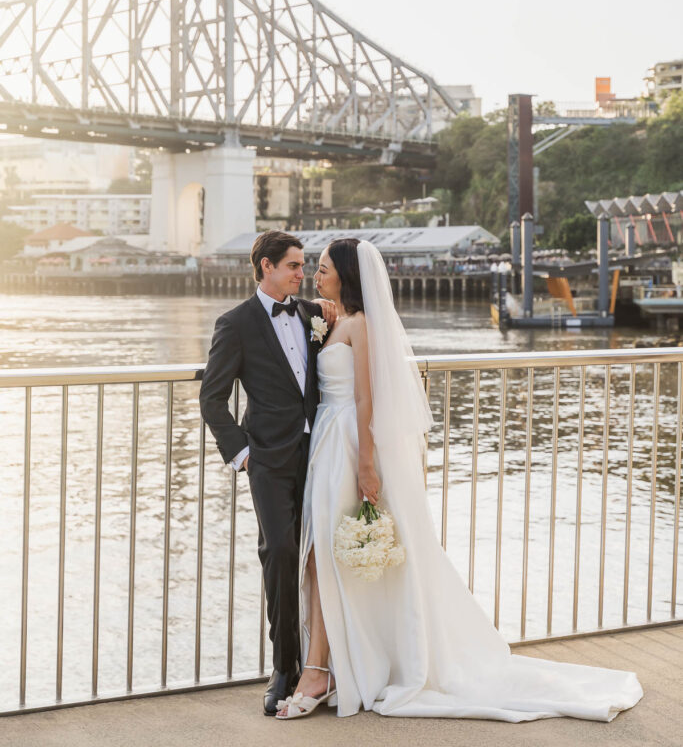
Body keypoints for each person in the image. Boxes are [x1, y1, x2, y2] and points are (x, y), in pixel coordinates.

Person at [276, 237, 643, 722]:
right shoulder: (331, 319)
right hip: (326, 441)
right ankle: (334, 663)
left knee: (332, 552)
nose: (315, 276)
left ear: (345, 275)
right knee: (321, 553)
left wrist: (367, 463)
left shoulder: (361, 325)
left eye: (322, 269)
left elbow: (367, 399)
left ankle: (322, 671)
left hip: (348, 443)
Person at [199, 230, 335, 716]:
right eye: (295, 266)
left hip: (320, 452)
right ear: (266, 267)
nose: (303, 274)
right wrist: (242, 454)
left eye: (304, 266)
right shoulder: (234, 323)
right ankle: (285, 667)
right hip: (267, 458)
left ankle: (327, 661)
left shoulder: (314, 315)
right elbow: (211, 398)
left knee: (321, 557)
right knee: (278, 551)